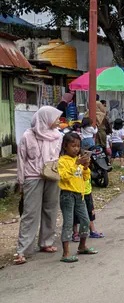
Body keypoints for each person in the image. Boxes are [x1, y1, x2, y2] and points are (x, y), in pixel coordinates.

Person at [14, 106, 63, 265]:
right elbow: (21, 160)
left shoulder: (58, 136)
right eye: (55, 118)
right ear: (45, 118)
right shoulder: (27, 136)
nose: (58, 121)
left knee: (51, 208)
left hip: (52, 176)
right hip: (32, 177)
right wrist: (21, 181)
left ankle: (46, 242)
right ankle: (23, 250)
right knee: (30, 213)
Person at [57, 132, 97, 262]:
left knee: (85, 220)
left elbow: (85, 177)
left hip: (79, 194)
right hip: (67, 195)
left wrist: (85, 167)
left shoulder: (77, 160)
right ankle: (66, 253)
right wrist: (76, 164)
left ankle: (82, 245)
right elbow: (64, 176)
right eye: (73, 146)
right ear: (65, 147)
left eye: (78, 146)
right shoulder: (63, 161)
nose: (76, 149)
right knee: (68, 223)